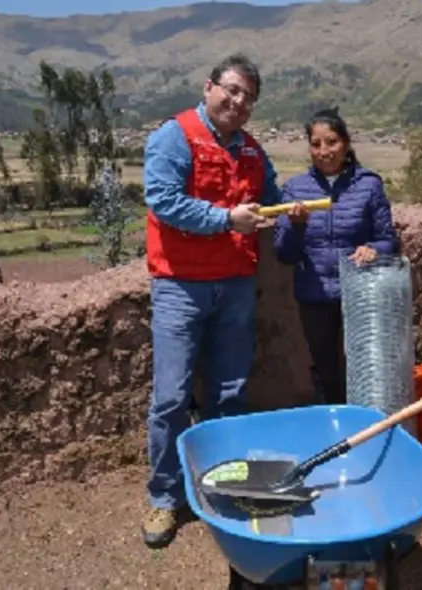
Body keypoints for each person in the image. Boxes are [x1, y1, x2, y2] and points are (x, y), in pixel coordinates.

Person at [141, 53, 282, 549]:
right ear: (209, 87)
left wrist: (290, 212)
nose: (239, 103)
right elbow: (162, 200)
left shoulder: (250, 150)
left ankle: (224, 484)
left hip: (237, 286)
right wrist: (227, 220)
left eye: (249, 98)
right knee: (172, 398)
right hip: (180, 286)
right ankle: (164, 497)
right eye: (233, 91)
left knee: (229, 393)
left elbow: (270, 196)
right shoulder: (174, 136)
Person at [272, 107, 399, 406]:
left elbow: (388, 240)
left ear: (346, 144)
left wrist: (374, 250)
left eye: (331, 142)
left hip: (359, 295)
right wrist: (296, 226)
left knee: (365, 366)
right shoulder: (295, 190)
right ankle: (336, 423)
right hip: (314, 296)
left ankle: (368, 423)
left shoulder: (368, 186)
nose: (324, 151)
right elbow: (284, 254)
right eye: (316, 144)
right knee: (326, 368)